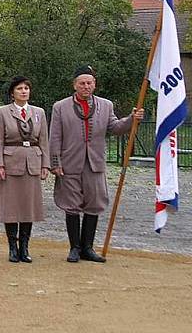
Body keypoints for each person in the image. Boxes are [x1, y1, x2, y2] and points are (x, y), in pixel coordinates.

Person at [50, 65, 143, 263]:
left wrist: (131, 119)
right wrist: (55, 163)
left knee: (94, 204)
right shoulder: (60, 107)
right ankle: (74, 247)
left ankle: (88, 248)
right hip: (69, 163)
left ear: (95, 84)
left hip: (95, 163)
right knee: (72, 206)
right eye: (82, 83)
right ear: (75, 85)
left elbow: (115, 127)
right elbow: (55, 137)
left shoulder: (106, 105)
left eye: (89, 83)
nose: (86, 86)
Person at [0, 76, 50, 263]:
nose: (23, 91)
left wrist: (45, 165)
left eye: (26, 88)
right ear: (12, 93)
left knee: (28, 206)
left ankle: (25, 247)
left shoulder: (38, 112)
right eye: (19, 88)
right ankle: (12, 247)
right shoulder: (2, 112)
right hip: (10, 163)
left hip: (32, 162)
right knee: (11, 206)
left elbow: (44, 140)